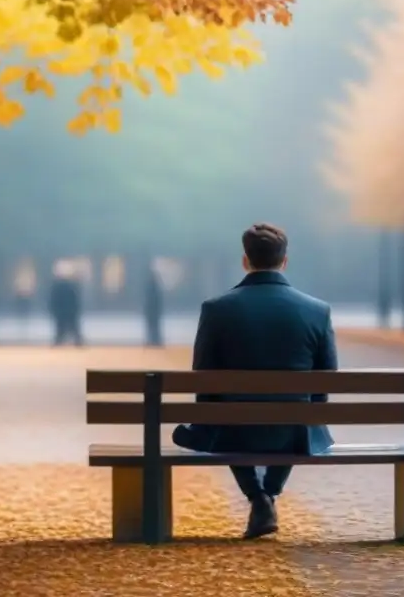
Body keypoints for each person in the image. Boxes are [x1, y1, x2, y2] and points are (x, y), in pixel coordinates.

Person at [172, 223, 338, 540]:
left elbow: (203, 377)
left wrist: (206, 420)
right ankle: (269, 492)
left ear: (245, 261)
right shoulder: (317, 311)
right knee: (300, 414)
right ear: (284, 261)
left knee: (223, 415)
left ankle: (258, 497)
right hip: (295, 431)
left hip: (233, 428)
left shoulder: (216, 309)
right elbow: (325, 379)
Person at [49, 260, 83, 346]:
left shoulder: (57, 287)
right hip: (69, 312)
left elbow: (54, 301)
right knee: (73, 329)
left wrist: (54, 311)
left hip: (62, 312)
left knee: (61, 329)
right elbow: (75, 300)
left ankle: (59, 342)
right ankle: (76, 342)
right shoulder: (71, 287)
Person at [144, 262, 164, 347]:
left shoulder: (151, 287)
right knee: (154, 326)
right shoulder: (154, 287)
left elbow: (150, 300)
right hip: (153, 311)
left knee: (153, 326)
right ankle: (155, 340)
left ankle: (154, 341)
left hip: (152, 311)